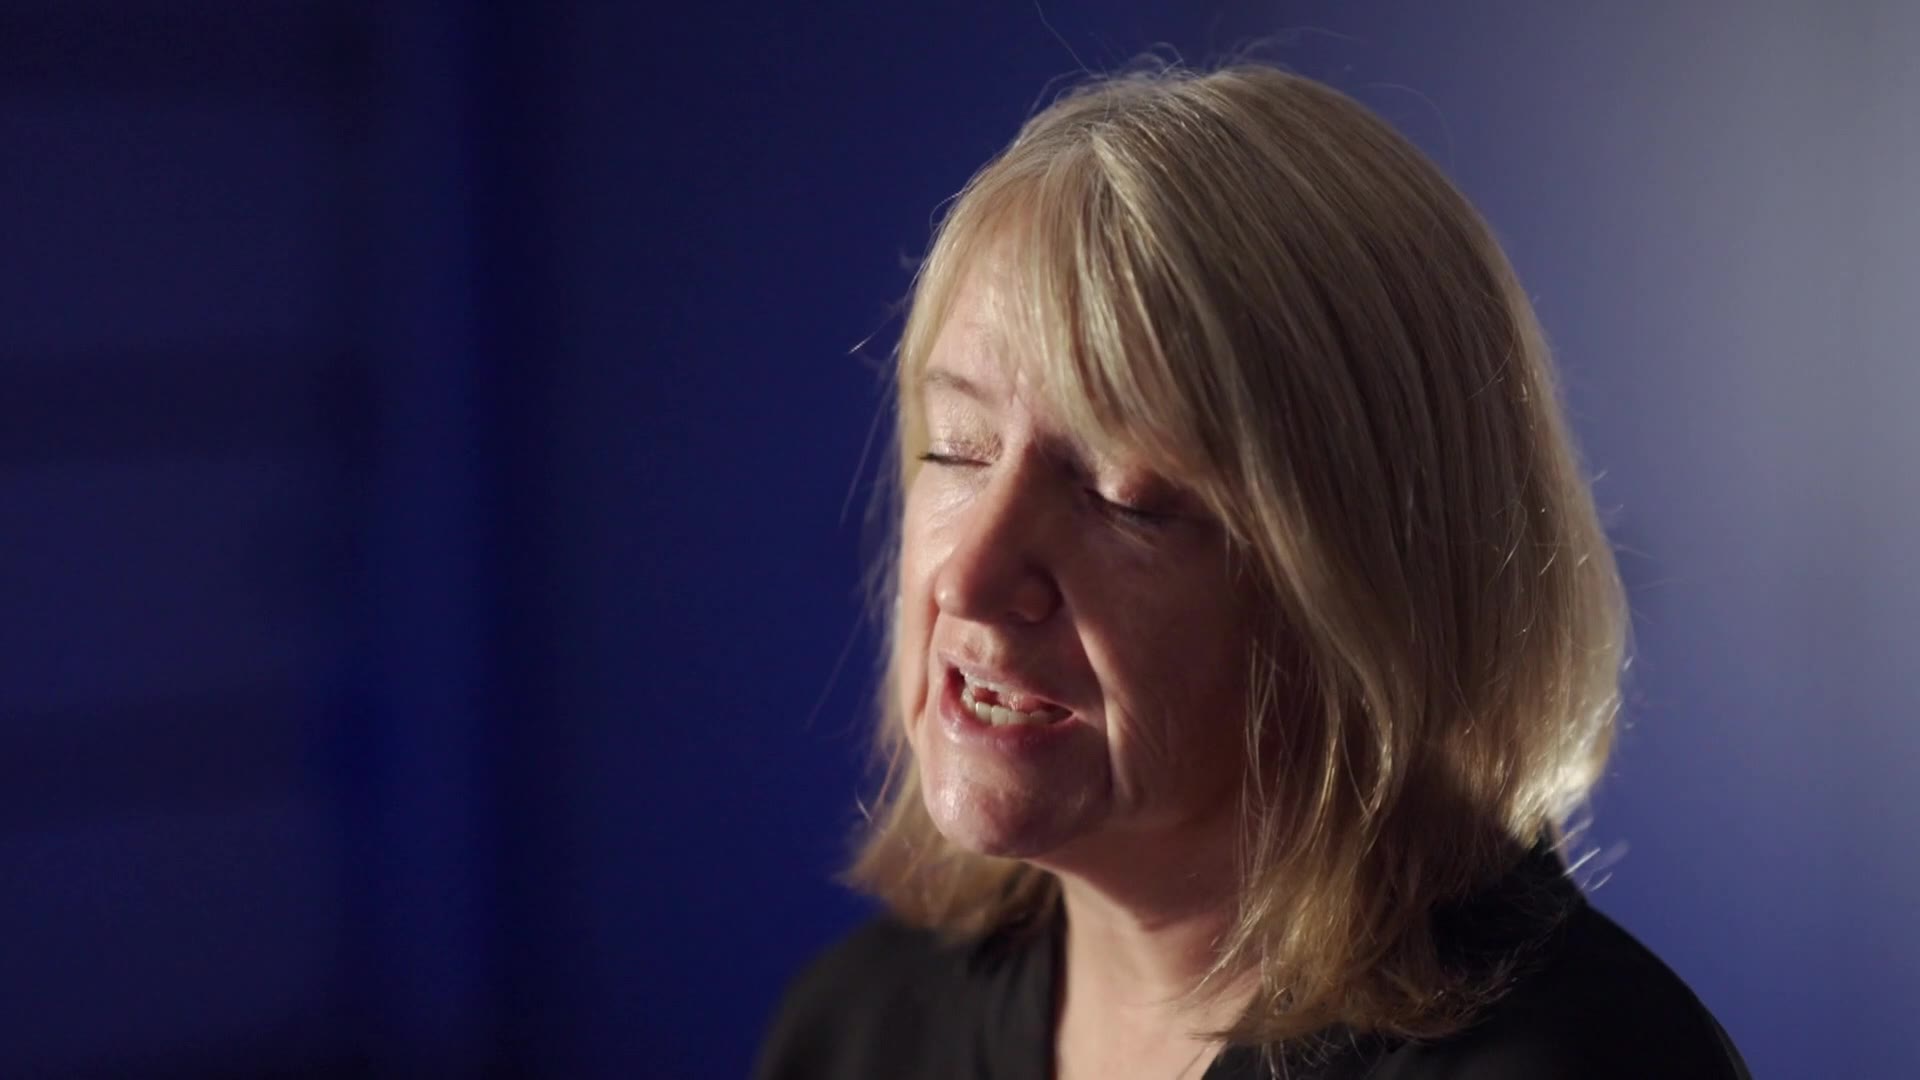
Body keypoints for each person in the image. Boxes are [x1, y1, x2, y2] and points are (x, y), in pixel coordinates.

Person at [755, 63, 1750, 1080]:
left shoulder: (1584, 1063)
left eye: (1124, 496)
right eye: (958, 448)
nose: (968, 580)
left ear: (1368, 589)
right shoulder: (854, 1031)